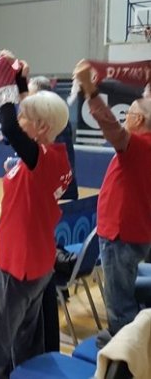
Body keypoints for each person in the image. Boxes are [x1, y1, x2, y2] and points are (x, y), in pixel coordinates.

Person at [0, 54, 72, 379]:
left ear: (41, 128)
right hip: (39, 261)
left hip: (19, 264)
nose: (19, 120)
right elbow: (22, 126)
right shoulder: (55, 156)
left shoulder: (39, 159)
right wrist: (19, 82)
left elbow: (8, 126)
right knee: (27, 339)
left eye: (25, 117)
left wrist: (3, 84)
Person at [73, 61, 151, 348]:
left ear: (138, 120)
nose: (124, 117)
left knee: (120, 305)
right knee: (124, 293)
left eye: (127, 113)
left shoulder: (137, 147)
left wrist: (90, 91)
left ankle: (124, 355)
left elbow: (110, 127)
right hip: (137, 233)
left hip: (120, 235)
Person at [28, 76, 78, 200]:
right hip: (49, 189)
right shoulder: (42, 117)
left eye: (31, 95)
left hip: (60, 191)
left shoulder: (54, 119)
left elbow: (53, 158)